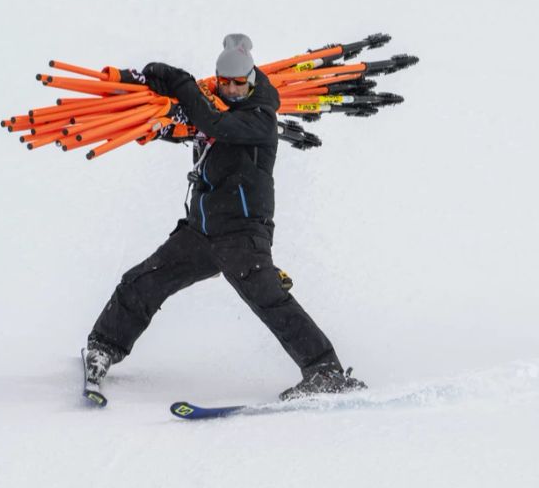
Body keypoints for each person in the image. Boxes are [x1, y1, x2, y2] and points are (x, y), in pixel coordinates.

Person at [84, 34, 366, 401]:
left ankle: (325, 371)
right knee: (142, 282)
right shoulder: (214, 105)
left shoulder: (260, 117)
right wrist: (162, 118)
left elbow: (218, 127)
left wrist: (182, 86)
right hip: (201, 231)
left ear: (251, 80)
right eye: (225, 82)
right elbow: (200, 127)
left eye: (239, 83)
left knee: (270, 299)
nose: (232, 89)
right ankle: (102, 348)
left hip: (243, 235)